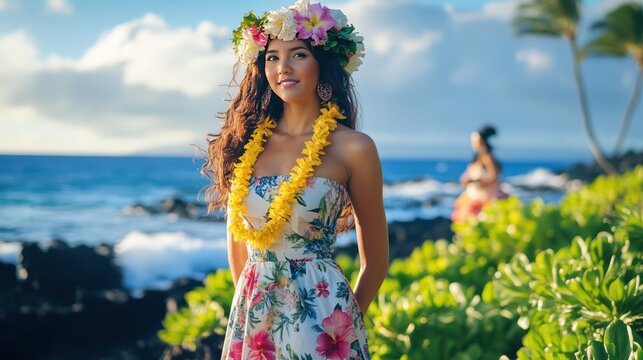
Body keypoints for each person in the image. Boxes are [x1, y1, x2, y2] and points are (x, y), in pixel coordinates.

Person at [200, 2, 389, 358]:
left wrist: (346, 323)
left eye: (298, 54)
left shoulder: (354, 148)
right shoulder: (245, 146)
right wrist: (254, 313)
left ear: (323, 64)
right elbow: (239, 255)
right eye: (271, 57)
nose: (282, 68)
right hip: (255, 318)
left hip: (327, 319)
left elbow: (376, 261)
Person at [452, 125, 507, 222]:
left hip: (485, 198)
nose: (472, 142)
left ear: (481, 141)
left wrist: (476, 181)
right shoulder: (477, 158)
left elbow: (494, 178)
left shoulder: (487, 157)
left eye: (475, 139)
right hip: (473, 195)